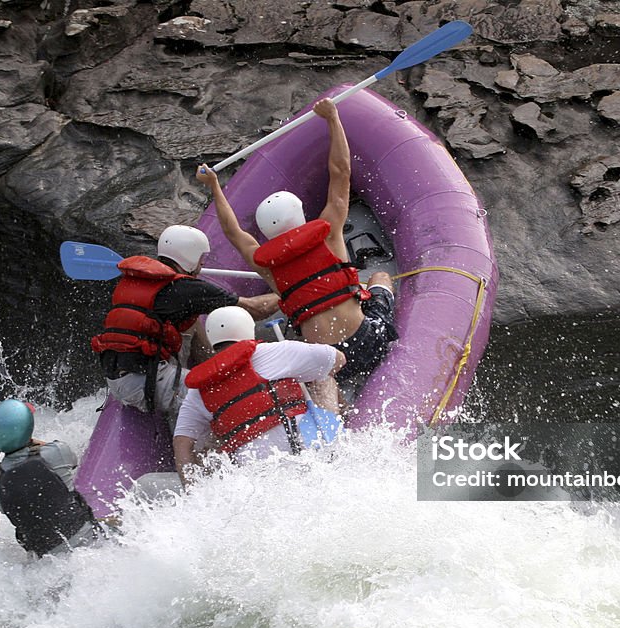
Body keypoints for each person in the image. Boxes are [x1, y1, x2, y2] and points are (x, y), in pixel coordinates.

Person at [196, 98, 398, 391]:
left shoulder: (266, 265)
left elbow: (232, 231)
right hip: (367, 341)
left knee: (313, 364)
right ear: (300, 215)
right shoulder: (329, 232)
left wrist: (214, 185)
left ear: (267, 232)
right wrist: (332, 118)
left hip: (328, 361)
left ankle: (337, 404)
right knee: (379, 279)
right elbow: (341, 172)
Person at [91, 225, 278, 424]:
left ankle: (212, 367)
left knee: (192, 320)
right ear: (188, 255)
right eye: (200, 258)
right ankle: (203, 447)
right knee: (223, 397)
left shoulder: (135, 280)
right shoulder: (184, 289)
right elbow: (257, 309)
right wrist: (293, 289)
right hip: (146, 382)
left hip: (120, 377)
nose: (202, 264)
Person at [173, 306, 346, 484]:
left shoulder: (197, 391)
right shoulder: (273, 351)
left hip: (252, 476)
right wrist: (301, 376)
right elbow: (338, 359)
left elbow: (182, 444)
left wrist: (192, 490)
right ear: (248, 329)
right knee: (324, 378)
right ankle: (340, 436)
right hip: (304, 449)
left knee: (210, 439)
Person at [0, 399, 100, 557]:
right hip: (92, 542)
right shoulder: (57, 451)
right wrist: (27, 440)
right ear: (28, 428)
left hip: (47, 562)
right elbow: (73, 462)